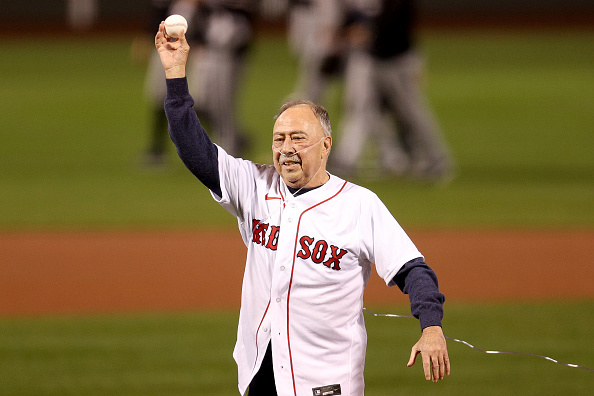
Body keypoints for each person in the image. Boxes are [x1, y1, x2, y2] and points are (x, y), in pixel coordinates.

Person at [155, 21, 450, 395]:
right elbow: (193, 148)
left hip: (326, 383)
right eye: (279, 139)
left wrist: (431, 326)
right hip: (260, 370)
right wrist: (175, 74)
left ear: (326, 145)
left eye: (298, 138)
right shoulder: (255, 185)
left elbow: (413, 269)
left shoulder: (359, 205)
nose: (286, 148)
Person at [332, 0, 454, 182]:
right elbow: (352, 18)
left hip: (400, 61)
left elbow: (395, 22)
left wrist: (369, 31)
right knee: (360, 110)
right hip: (371, 60)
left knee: (411, 113)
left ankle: (436, 160)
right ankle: (346, 161)